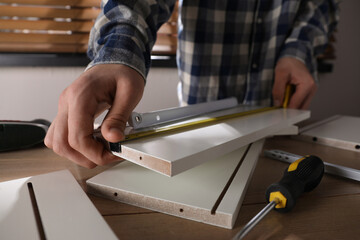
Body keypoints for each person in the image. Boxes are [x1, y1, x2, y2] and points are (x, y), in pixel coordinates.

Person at [45, 0, 339, 168]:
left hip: (281, 116)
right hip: (200, 130)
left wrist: (297, 51)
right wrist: (120, 51)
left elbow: (319, 5)